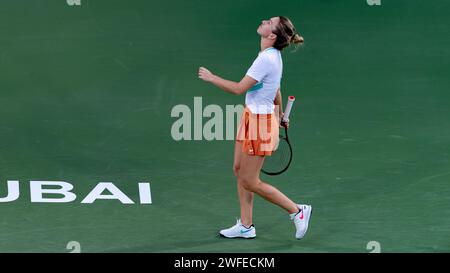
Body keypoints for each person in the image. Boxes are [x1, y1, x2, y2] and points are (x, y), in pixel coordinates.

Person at [198, 16, 312, 239]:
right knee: (239, 171)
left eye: (269, 22)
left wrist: (212, 78)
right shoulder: (270, 56)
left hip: (260, 124)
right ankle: (246, 226)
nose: (264, 20)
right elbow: (276, 89)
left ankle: (297, 211)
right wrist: (279, 115)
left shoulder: (267, 60)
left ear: (272, 36)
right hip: (253, 117)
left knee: (250, 180)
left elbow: (239, 89)